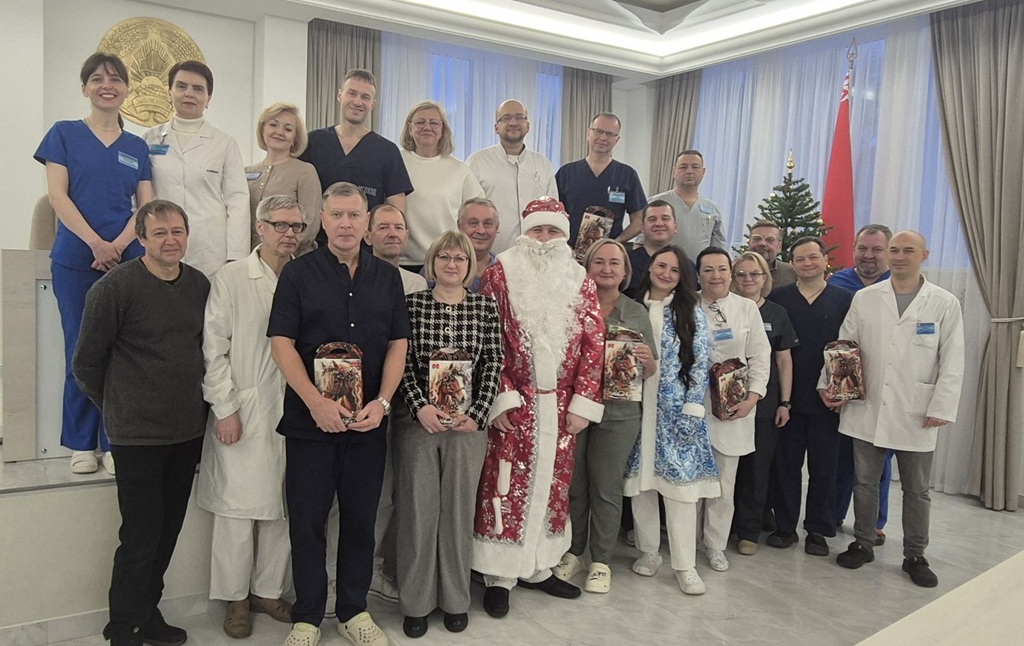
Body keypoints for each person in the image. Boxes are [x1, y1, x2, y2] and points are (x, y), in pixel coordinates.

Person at [268, 182, 409, 646]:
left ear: (367, 222)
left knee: (360, 522)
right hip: (311, 423)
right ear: (322, 220)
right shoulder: (297, 274)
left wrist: (383, 403)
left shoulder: (388, 278)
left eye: (354, 215)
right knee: (307, 522)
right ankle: (308, 616)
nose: (345, 223)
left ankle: (353, 611)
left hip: (367, 423)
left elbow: (398, 345)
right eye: (337, 215)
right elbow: (282, 344)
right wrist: (315, 402)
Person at [72, 200, 210, 646]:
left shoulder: (199, 285)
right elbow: (86, 364)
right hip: (136, 437)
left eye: (177, 231)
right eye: (160, 232)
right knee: (140, 536)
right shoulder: (114, 288)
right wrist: (118, 407)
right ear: (142, 238)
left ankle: (148, 615)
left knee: (167, 533)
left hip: (186, 431)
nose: (171, 240)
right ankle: (123, 628)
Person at [472, 197, 605, 619]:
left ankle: (538, 566)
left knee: (553, 485)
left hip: (561, 406)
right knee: (504, 484)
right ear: (524, 233)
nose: (545, 239)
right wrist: (501, 396)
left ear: (564, 236)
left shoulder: (579, 277)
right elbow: (487, 338)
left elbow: (594, 342)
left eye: (552, 231)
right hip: (516, 402)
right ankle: (499, 574)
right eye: (537, 230)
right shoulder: (500, 273)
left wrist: (583, 402)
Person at [34, 52, 153, 476]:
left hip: (127, 259)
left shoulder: (137, 146)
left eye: (116, 79)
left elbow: (146, 206)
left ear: (126, 89)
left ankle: (115, 439)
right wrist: (95, 244)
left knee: (124, 352)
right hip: (76, 258)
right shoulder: (64, 134)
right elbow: (57, 196)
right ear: (85, 87)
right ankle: (81, 443)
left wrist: (117, 245)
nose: (107, 85)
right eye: (98, 79)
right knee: (80, 348)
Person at [828, 231, 964, 588]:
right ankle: (863, 542)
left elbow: (953, 359)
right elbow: (845, 347)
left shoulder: (944, 302)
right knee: (865, 481)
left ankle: (915, 554)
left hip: (916, 409)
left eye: (908, 250)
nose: (899, 256)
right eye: (894, 250)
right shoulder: (866, 298)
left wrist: (942, 405)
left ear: (924, 255)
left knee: (917, 489)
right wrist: (836, 389)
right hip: (867, 404)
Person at [198, 196, 306, 638]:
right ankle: (235, 599)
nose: (289, 234)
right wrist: (225, 408)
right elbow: (214, 348)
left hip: (296, 409)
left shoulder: (307, 276)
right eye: (280, 224)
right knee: (237, 512)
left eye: (297, 226)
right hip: (244, 407)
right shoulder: (232, 277)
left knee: (285, 507)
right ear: (259, 227)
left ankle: (267, 591)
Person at [392, 231, 503, 638]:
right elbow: (401, 362)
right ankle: (416, 603)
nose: (452, 264)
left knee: (458, 514)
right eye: (444, 257)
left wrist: (478, 414)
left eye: (460, 258)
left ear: (470, 265)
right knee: (418, 514)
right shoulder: (412, 305)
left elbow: (493, 362)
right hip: (420, 424)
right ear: (432, 262)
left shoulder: (484, 307)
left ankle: (456, 600)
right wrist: (419, 406)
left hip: (468, 428)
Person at [554, 239, 657, 594]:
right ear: (587, 268)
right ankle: (574, 552)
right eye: (599, 261)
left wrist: (647, 361)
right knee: (574, 485)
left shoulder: (636, 312)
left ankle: (600, 560)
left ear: (626, 271)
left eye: (615, 262)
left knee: (606, 488)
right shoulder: (572, 306)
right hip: (575, 409)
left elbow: (650, 369)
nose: (607, 268)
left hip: (619, 413)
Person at [621, 245, 719, 595]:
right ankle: (649, 551)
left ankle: (685, 564)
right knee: (641, 487)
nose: (666, 274)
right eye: (661, 266)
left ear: (682, 277)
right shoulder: (633, 306)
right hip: (635, 410)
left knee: (681, 491)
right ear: (650, 267)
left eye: (674, 270)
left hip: (676, 414)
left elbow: (700, 362)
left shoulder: (690, 311)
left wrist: (692, 407)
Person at [765, 238, 852, 556]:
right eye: (800, 259)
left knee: (824, 467)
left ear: (825, 260)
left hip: (827, 398)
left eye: (813, 257)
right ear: (792, 264)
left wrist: (842, 391)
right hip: (787, 397)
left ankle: (818, 529)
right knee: (786, 466)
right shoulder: (779, 298)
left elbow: (850, 347)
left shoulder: (844, 299)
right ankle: (785, 526)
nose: (807, 263)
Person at [695, 247, 770, 574]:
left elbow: (760, 356)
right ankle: (687, 541)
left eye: (722, 269)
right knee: (692, 481)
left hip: (734, 407)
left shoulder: (746, 308)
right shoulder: (686, 305)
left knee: (724, 483)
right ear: (698, 275)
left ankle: (715, 545)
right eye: (708, 270)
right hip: (694, 406)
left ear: (731, 273)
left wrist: (753, 397)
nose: (716, 276)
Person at [143, 60, 249, 277]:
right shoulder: (150, 139)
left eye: (198, 89)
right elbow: (139, 197)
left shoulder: (224, 143)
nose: (189, 93)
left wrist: (236, 256)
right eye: (181, 86)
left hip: (209, 248)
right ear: (170, 92)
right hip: (161, 244)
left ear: (208, 98)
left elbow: (237, 200)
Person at [729, 251, 797, 555]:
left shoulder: (777, 313)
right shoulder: (725, 309)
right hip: (725, 403)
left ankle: (749, 531)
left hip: (764, 405)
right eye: (741, 274)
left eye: (754, 274)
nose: (748, 279)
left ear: (765, 278)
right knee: (728, 469)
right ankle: (724, 527)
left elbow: (784, 361)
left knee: (757, 471)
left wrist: (785, 402)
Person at [831, 224, 894, 544]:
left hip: (884, 385)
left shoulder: (898, 285)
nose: (868, 255)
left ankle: (875, 522)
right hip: (845, 385)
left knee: (880, 460)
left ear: (888, 252)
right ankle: (834, 513)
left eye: (877, 249)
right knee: (842, 456)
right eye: (862, 248)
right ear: (854, 248)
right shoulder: (837, 283)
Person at [300, 68, 413, 247]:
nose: (357, 101)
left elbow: (396, 213)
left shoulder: (387, 151)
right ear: (340, 95)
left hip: (366, 251)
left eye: (365, 97)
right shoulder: (312, 142)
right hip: (315, 247)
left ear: (372, 104)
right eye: (352, 93)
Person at [398, 101, 484, 268]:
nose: (427, 127)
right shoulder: (396, 161)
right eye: (420, 122)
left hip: (446, 262)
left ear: (443, 130)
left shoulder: (460, 170)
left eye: (434, 123)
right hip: (403, 261)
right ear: (410, 128)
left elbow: (476, 214)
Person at [466, 99, 558, 253]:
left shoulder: (543, 164)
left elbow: (552, 214)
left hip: (535, 255)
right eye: (506, 118)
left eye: (519, 117)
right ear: (496, 127)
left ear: (528, 126)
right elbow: (468, 214)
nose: (513, 122)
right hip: (490, 255)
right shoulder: (477, 162)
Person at [556, 113, 647, 245]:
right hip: (569, 251)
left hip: (609, 253)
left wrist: (615, 243)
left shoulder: (627, 175)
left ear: (617, 140)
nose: (603, 137)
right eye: (598, 131)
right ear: (588, 133)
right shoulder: (566, 173)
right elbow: (554, 215)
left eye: (610, 134)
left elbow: (639, 219)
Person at [245, 102, 322, 254]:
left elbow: (310, 225)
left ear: (295, 138)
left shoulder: (305, 171)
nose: (279, 132)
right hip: (250, 257)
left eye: (288, 129)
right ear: (262, 129)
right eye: (273, 125)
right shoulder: (246, 172)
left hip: (291, 257)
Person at [649, 151, 726, 261]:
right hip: (665, 268)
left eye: (695, 167)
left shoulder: (713, 208)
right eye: (683, 167)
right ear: (674, 171)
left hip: (699, 269)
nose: (689, 171)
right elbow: (642, 241)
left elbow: (718, 249)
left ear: (703, 172)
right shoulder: (656, 202)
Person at [366, 203, 428, 294]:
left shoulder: (417, 285)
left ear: (406, 237)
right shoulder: (354, 280)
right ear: (367, 237)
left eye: (398, 228)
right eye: (383, 228)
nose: (393, 234)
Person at [625, 199, 679, 297]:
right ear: (642, 228)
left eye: (665, 218)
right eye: (652, 219)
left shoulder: (686, 265)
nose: (659, 224)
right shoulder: (626, 262)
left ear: (675, 227)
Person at [456, 197, 500, 291]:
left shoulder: (505, 269)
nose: (481, 231)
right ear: (459, 226)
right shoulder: (441, 268)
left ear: (497, 227)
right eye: (473, 223)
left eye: (487, 224)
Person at [747, 220, 797, 288]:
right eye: (756, 239)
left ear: (779, 247)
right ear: (748, 243)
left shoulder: (792, 273)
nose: (762, 243)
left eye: (770, 240)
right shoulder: (735, 271)